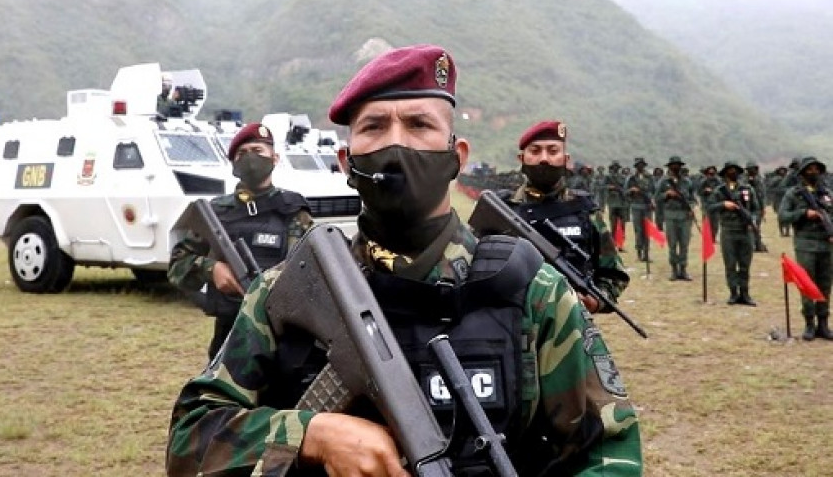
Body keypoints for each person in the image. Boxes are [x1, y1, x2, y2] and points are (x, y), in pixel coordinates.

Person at [166, 44, 643, 476]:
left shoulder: (531, 291)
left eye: (419, 124)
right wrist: (311, 435)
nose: (398, 144)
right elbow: (191, 442)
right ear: (346, 162)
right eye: (374, 126)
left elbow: (610, 453)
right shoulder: (285, 291)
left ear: (456, 155)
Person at [167, 122, 313, 359]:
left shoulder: (293, 210)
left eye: (258, 151)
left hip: (282, 332)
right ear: (234, 165)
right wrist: (211, 268)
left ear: (274, 158)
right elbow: (177, 265)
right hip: (230, 333)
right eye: (242, 154)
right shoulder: (216, 213)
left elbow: (310, 270)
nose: (250, 159)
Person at [503, 120, 630, 314]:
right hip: (510, 322)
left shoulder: (585, 211)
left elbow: (614, 275)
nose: (544, 159)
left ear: (566, 159)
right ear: (522, 158)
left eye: (553, 151)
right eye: (535, 151)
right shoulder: (503, 209)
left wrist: (595, 301)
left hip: (569, 327)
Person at [778, 157, 833, 340]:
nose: (814, 172)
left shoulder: (826, 193)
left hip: (826, 245)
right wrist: (803, 214)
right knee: (807, 284)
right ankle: (809, 324)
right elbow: (783, 216)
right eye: (810, 169)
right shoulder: (794, 194)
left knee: (825, 285)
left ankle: (823, 324)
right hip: (805, 245)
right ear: (802, 173)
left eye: (817, 169)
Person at [709, 161, 760, 305]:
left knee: (745, 264)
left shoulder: (748, 189)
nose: (733, 173)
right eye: (730, 171)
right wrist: (723, 204)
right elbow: (710, 207)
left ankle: (745, 293)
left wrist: (753, 221)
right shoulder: (720, 191)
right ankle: (733, 293)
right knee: (730, 264)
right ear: (725, 174)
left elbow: (756, 208)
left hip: (745, 231)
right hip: (728, 231)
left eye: (735, 170)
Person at [655, 156, 697, 281]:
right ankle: (674, 270)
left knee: (684, 244)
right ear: (669, 167)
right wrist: (666, 194)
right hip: (670, 215)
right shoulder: (663, 182)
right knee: (672, 244)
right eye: (673, 165)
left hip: (684, 216)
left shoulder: (687, 182)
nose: (676, 167)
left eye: (678, 165)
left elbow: (693, 199)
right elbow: (657, 198)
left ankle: (683, 269)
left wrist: (692, 208)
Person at [624, 158, 655, 262]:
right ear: (636, 166)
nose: (640, 166)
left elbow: (654, 190)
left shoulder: (649, 177)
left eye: (642, 165)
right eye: (638, 165)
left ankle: (646, 254)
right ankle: (639, 253)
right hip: (636, 206)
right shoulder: (631, 178)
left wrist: (652, 200)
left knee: (647, 230)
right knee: (638, 231)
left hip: (647, 207)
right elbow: (625, 192)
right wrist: (631, 191)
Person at [605, 160, 627, 250]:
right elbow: (603, 186)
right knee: (613, 225)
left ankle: (620, 245)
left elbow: (625, 187)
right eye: (614, 167)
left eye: (617, 167)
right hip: (612, 203)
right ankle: (613, 244)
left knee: (622, 226)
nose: (615, 168)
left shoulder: (622, 177)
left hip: (621, 203)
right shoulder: (608, 177)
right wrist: (610, 187)